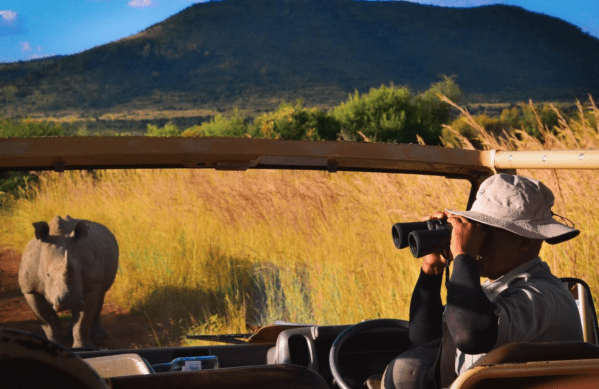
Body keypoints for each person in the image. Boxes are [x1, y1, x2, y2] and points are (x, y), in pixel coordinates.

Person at [382, 173, 584, 389]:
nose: (474, 242)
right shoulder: (492, 290)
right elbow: (424, 336)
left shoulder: (541, 297)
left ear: (524, 242)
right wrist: (432, 268)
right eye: (473, 230)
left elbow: (471, 336)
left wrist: (464, 256)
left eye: (483, 232)